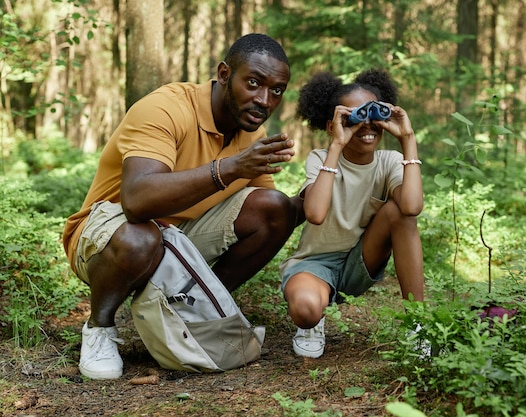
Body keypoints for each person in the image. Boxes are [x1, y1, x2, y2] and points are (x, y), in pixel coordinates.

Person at [63, 33, 302, 379]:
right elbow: (136, 202)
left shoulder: (252, 134)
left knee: (275, 207)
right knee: (140, 236)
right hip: (107, 238)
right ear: (223, 74)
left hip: (177, 240)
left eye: (276, 90)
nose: (264, 100)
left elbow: (271, 217)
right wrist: (230, 168)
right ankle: (99, 328)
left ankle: (194, 310)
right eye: (253, 83)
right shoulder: (165, 108)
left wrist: (323, 189)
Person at [279, 69, 425, 358]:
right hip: (315, 264)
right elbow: (316, 214)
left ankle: (418, 324)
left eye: (375, 114)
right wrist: (336, 144)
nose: (367, 124)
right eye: (354, 117)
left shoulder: (390, 162)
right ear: (333, 123)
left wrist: (407, 138)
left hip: (361, 259)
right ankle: (313, 321)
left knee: (400, 213)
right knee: (306, 309)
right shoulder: (321, 159)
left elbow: (411, 207)